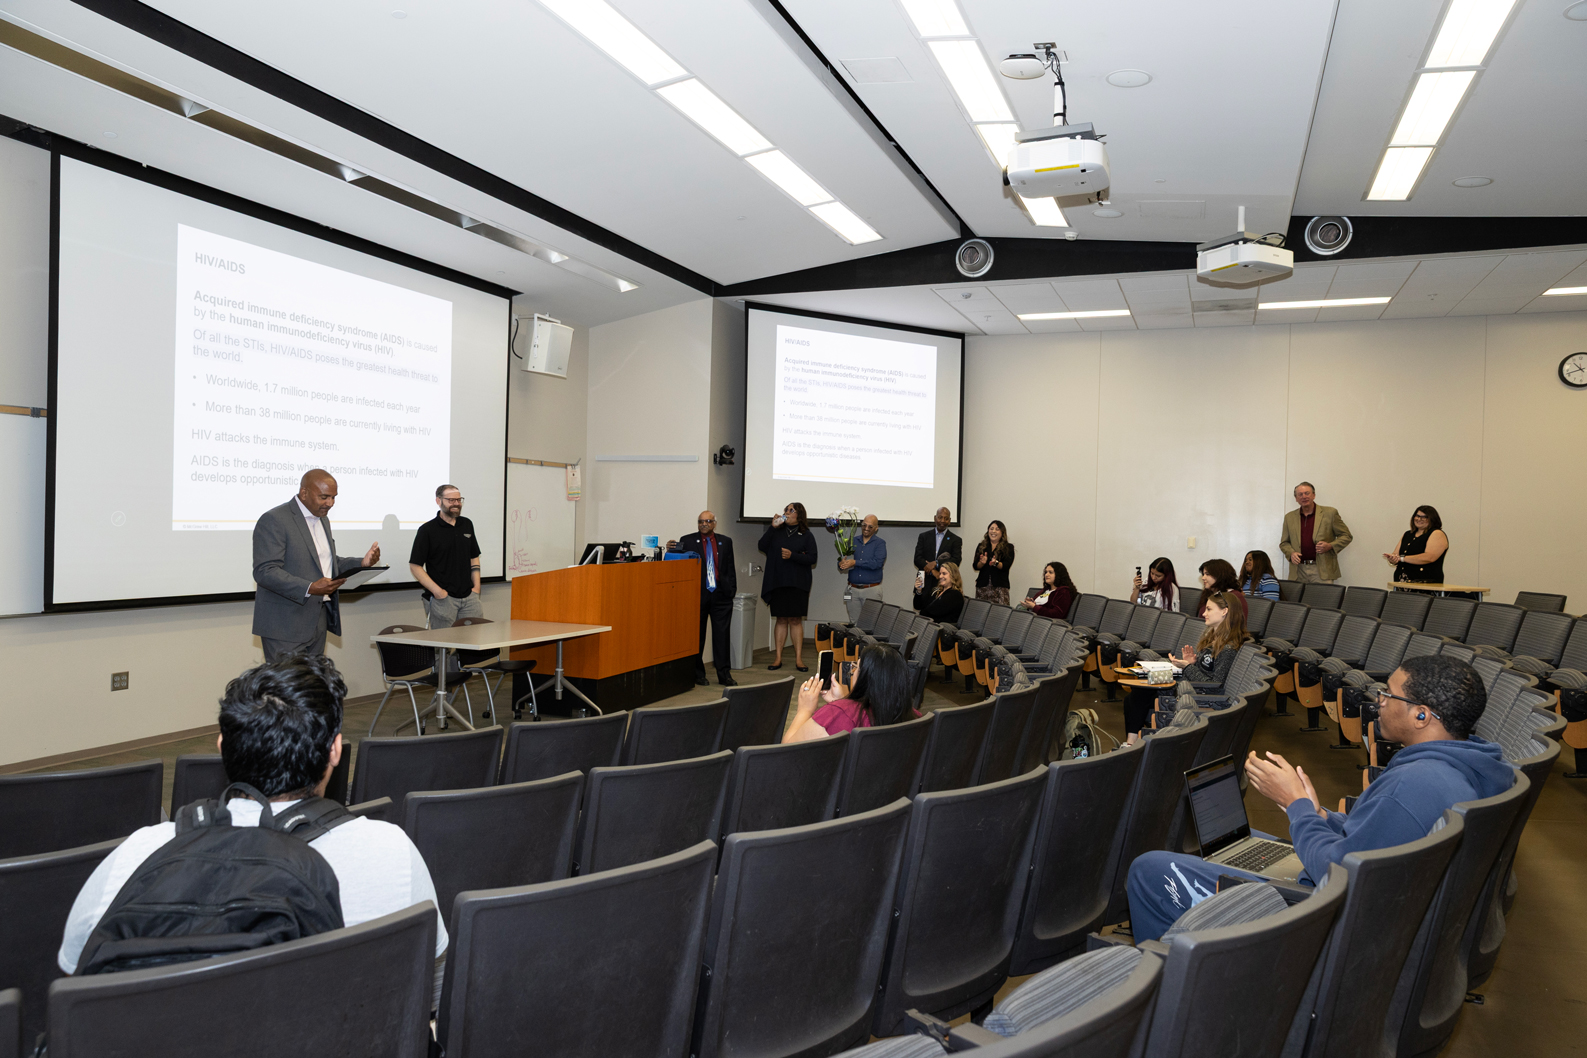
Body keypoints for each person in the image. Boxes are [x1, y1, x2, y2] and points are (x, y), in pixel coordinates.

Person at [57, 654, 449, 992]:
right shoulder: (390, 851)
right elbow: (426, 993)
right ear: (334, 750)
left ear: (222, 748)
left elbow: (77, 984)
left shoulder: (137, 854)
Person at [1125, 654, 1513, 942]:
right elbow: (1377, 839)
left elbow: (1336, 872)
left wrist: (1297, 810)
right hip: (1377, 903)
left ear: (1422, 716)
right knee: (1242, 842)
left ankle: (1168, 1001)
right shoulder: (1466, 767)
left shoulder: (1416, 784)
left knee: (1149, 869)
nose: (1379, 702)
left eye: (1389, 695)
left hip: (1324, 918)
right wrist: (1319, 815)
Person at [252, 469, 381, 661]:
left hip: (317, 622)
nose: (330, 503)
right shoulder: (275, 519)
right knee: (287, 689)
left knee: (313, 688)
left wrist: (361, 563)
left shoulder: (322, 520)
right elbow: (265, 571)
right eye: (324, 497)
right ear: (304, 493)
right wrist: (310, 587)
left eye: (333, 497)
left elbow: (327, 562)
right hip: (284, 625)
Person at [1121, 589, 1247, 745]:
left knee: (1138, 695)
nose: (1203, 614)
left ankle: (1131, 743)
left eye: (1209, 609)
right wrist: (1193, 663)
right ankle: (1131, 742)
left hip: (1195, 694)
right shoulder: (1213, 639)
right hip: (1188, 685)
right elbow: (1207, 672)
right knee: (1139, 691)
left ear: (1224, 612)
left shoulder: (1228, 648)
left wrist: (1187, 667)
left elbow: (1215, 685)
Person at [783, 644, 917, 741]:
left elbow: (788, 750)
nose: (852, 672)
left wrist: (804, 710)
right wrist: (843, 701)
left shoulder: (837, 713)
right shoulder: (913, 716)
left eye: (856, 668)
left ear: (865, 678)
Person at [673, 511, 738, 687]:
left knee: (722, 637)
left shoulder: (726, 541)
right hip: (697, 595)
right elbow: (678, 563)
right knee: (697, 637)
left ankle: (724, 675)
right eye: (701, 521)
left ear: (714, 523)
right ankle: (697, 674)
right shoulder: (686, 540)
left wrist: (731, 590)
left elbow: (730, 568)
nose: (704, 524)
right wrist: (671, 549)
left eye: (708, 521)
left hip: (721, 595)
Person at [408, 484, 481, 629]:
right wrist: (438, 592)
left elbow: (474, 556)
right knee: (443, 647)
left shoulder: (466, 524)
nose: (456, 504)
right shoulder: (427, 530)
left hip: (469, 598)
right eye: (451, 500)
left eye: (459, 500)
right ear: (438, 501)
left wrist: (477, 587)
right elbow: (415, 566)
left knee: (474, 642)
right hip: (443, 599)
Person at [759, 502, 819, 671]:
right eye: (786, 509)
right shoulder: (776, 532)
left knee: (795, 619)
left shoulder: (806, 535)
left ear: (799, 515)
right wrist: (771, 527)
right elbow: (761, 546)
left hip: (798, 583)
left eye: (790, 510)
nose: (786, 512)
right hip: (777, 581)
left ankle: (799, 659)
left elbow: (812, 558)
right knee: (781, 619)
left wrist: (793, 556)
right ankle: (778, 658)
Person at [1280, 482, 1352, 584]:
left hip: (1322, 570)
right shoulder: (1289, 517)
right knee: (1296, 600)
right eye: (1300, 494)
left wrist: (1330, 546)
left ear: (1313, 495)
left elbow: (1346, 536)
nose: (1304, 496)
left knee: (1322, 600)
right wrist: (1291, 553)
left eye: (1307, 493)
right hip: (1297, 570)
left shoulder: (1330, 513)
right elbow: (1284, 543)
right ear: (1296, 498)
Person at [1384, 505, 1449, 584]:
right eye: (1417, 516)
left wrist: (1402, 558)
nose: (1419, 519)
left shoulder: (1437, 533)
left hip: (1426, 583)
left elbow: (1430, 557)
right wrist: (1392, 558)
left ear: (1432, 519)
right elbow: (1396, 554)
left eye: (1424, 517)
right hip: (1402, 581)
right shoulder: (1408, 534)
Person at [841, 514, 887, 623]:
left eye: (870, 527)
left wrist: (855, 562)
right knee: (854, 623)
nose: (866, 529)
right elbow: (843, 560)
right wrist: (842, 563)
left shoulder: (880, 543)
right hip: (852, 590)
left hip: (871, 590)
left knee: (870, 625)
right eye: (864, 525)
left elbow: (877, 563)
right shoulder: (852, 541)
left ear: (876, 528)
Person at [972, 520, 1016, 606]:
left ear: (1002, 532)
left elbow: (1006, 566)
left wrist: (995, 563)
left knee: (1000, 615)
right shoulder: (982, 546)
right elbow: (975, 566)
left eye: (997, 529)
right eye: (991, 529)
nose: (993, 531)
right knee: (981, 613)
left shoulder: (1008, 547)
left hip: (1000, 587)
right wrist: (982, 563)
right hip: (983, 586)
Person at [914, 507, 963, 578]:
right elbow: (917, 558)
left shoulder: (956, 540)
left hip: (944, 581)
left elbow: (956, 561)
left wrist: (936, 563)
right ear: (935, 518)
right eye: (940, 517)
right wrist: (933, 571)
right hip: (923, 580)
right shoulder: (924, 536)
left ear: (949, 521)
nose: (942, 521)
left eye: (946, 518)